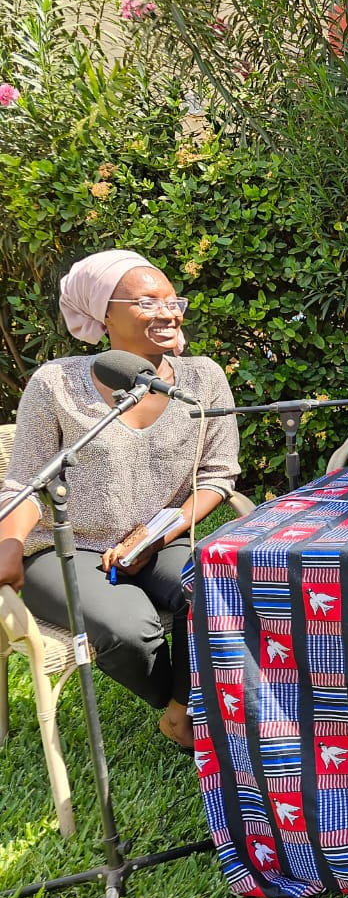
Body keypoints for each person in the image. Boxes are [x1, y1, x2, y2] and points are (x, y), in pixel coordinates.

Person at [0, 250, 241, 750]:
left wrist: (155, 536)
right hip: (65, 547)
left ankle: (182, 712)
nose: (169, 312)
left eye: (173, 300)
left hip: (163, 535)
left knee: (218, 586)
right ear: (102, 314)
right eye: (147, 301)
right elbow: (25, 482)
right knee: (127, 628)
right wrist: (10, 540)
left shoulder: (202, 378)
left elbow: (218, 475)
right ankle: (181, 694)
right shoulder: (56, 383)